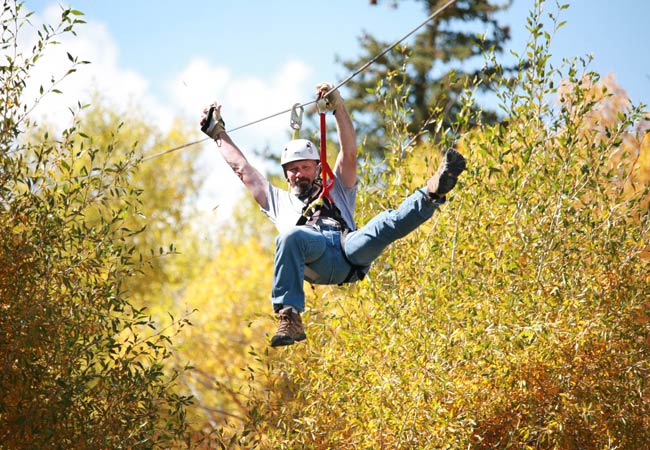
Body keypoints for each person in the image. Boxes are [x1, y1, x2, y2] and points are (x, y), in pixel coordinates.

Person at [200, 82, 466, 347]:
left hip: (348, 251)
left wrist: (338, 107)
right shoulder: (277, 201)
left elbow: (349, 153)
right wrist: (217, 133)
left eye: (305, 167)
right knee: (290, 236)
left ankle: (431, 193)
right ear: (285, 174)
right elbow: (242, 169)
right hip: (313, 257)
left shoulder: (337, 187)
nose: (299, 173)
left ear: (317, 168)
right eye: (292, 169)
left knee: (384, 223)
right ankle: (289, 316)